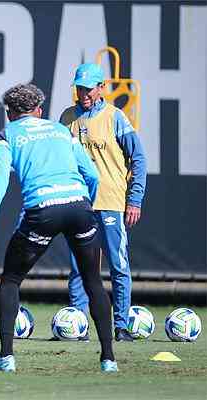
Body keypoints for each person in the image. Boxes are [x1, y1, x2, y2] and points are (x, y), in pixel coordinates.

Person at [0, 83, 117, 372]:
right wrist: (85, 205)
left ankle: (6, 358)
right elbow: (92, 174)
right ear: (39, 111)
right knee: (93, 282)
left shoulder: (6, 136)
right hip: (79, 207)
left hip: (43, 210)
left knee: (11, 280)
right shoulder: (61, 131)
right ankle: (108, 360)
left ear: (10, 114)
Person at [60, 63, 147, 342]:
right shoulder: (67, 117)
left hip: (110, 201)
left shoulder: (116, 117)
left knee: (118, 265)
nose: (84, 93)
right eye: (80, 87)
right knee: (79, 266)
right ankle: (78, 325)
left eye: (89, 88)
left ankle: (121, 326)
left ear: (101, 88)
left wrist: (134, 200)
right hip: (79, 204)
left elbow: (139, 159)